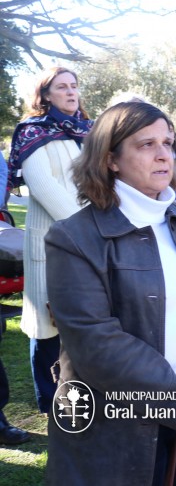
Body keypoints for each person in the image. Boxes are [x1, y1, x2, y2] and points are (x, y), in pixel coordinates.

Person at [44, 101, 176, 486]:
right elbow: (96, 342)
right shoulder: (73, 237)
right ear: (110, 159)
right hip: (115, 422)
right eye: (146, 144)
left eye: (168, 142)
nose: (164, 154)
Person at [6, 67, 92, 414]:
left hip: (89, 243)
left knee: (82, 320)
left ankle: (78, 396)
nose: (71, 92)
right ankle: (49, 401)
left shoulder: (88, 132)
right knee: (45, 327)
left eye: (74, 86)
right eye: (62, 87)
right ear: (45, 94)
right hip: (53, 242)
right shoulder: (32, 131)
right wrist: (87, 226)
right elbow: (43, 186)